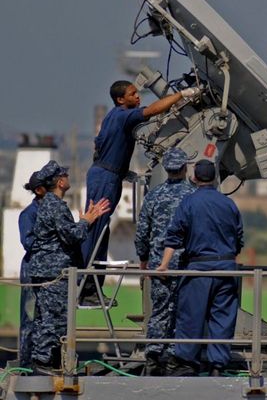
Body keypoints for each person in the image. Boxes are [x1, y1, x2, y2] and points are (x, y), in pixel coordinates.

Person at [81, 80, 200, 304]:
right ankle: (85, 289)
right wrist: (182, 94)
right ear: (120, 99)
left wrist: (118, 169)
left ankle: (91, 288)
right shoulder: (125, 115)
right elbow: (153, 110)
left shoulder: (112, 116)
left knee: (101, 230)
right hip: (106, 178)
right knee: (95, 229)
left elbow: (99, 146)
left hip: (108, 174)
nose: (138, 97)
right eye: (132, 94)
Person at [158, 159, 243, 377]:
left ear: (194, 178)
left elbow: (174, 235)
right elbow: (239, 238)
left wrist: (164, 265)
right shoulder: (229, 204)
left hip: (198, 269)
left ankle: (187, 362)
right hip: (226, 268)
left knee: (191, 316)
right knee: (222, 318)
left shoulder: (189, 202)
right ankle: (217, 366)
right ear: (215, 178)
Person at [29, 161, 110, 374]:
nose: (67, 177)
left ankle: (43, 361)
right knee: (54, 318)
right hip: (53, 272)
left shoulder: (48, 204)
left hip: (46, 271)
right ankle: (44, 364)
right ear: (60, 181)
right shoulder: (55, 206)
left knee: (45, 317)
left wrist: (82, 220)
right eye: (64, 174)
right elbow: (72, 236)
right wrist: (87, 221)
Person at [134, 148, 195, 376]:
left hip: (159, 263)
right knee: (181, 311)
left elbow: (141, 233)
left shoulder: (153, 195)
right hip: (186, 264)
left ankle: (153, 355)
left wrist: (143, 260)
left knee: (159, 310)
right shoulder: (193, 196)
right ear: (184, 167)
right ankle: (174, 357)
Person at [17, 171, 47, 368]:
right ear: (39, 190)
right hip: (32, 270)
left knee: (46, 317)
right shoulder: (30, 214)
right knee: (30, 317)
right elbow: (29, 242)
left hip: (47, 271)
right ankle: (26, 363)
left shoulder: (52, 211)